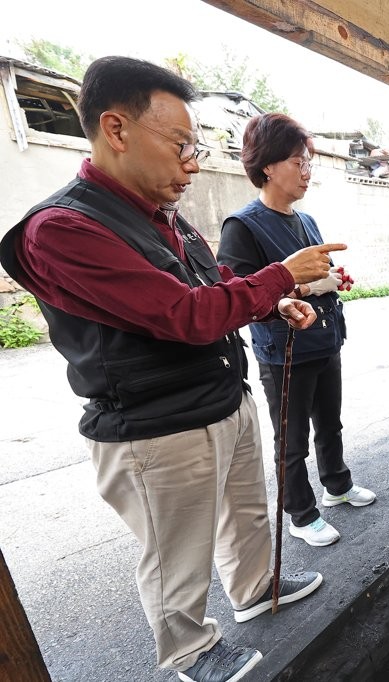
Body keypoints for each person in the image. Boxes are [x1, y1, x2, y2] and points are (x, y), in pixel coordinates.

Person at [0, 56, 342, 682]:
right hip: (154, 425)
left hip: (219, 395)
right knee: (173, 551)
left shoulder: (163, 215)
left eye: (196, 145)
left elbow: (217, 284)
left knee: (246, 509)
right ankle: (189, 650)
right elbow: (183, 313)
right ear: (117, 129)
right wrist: (282, 275)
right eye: (181, 143)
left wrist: (274, 297)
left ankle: (256, 587)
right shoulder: (63, 228)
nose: (193, 161)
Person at [217, 113, 376, 549]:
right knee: (292, 440)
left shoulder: (305, 221)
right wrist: (303, 286)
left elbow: (322, 274)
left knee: (331, 423)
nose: (306, 171)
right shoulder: (243, 226)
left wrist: (334, 278)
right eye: (296, 161)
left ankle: (337, 485)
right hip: (283, 349)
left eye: (309, 162)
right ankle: (301, 515)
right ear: (267, 165)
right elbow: (239, 296)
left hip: (325, 338)